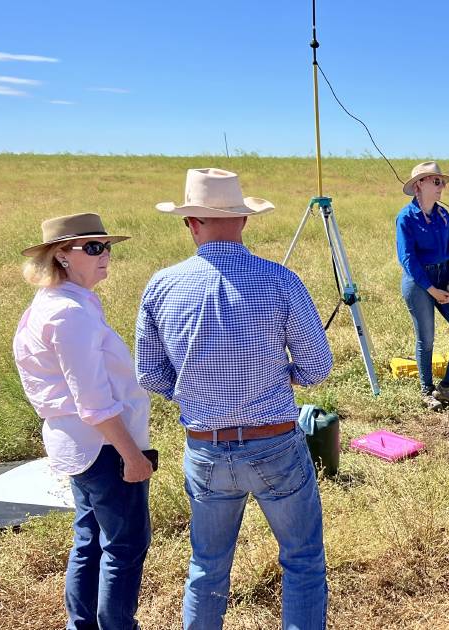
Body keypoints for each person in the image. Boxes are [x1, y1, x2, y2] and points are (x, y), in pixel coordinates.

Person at [135, 168, 333, 629]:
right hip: (275, 442)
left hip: (205, 444)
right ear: (244, 220)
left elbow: (151, 373)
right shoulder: (280, 280)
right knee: (302, 559)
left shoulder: (162, 286)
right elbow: (317, 367)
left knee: (207, 567)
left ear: (191, 223)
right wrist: (280, 377)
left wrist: (196, 396)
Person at [12, 213, 153, 629]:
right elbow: (92, 401)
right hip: (103, 446)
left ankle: (84, 624)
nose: (105, 254)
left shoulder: (62, 302)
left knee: (91, 539)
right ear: (62, 255)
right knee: (125, 545)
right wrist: (133, 455)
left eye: (107, 245)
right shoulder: (70, 312)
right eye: (93, 247)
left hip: (82, 444)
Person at [395, 161, 449, 406]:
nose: (442, 187)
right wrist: (431, 289)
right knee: (426, 338)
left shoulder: (443, 215)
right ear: (419, 184)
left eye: (442, 182)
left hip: (444, 278)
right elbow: (407, 258)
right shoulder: (406, 217)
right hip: (419, 283)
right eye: (436, 181)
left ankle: (448, 385)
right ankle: (426, 390)